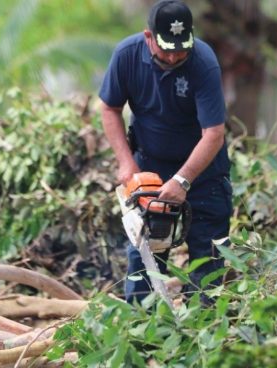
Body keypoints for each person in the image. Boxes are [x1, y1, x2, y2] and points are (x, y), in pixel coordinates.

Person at [99, 0, 232, 304]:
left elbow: (213, 133)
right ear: (149, 37)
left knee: (207, 269)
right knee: (144, 263)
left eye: (180, 49)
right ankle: (143, 341)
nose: (173, 56)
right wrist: (126, 163)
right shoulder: (127, 56)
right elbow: (109, 108)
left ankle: (203, 337)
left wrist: (183, 181)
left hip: (204, 176)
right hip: (150, 173)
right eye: (166, 48)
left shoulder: (203, 62)